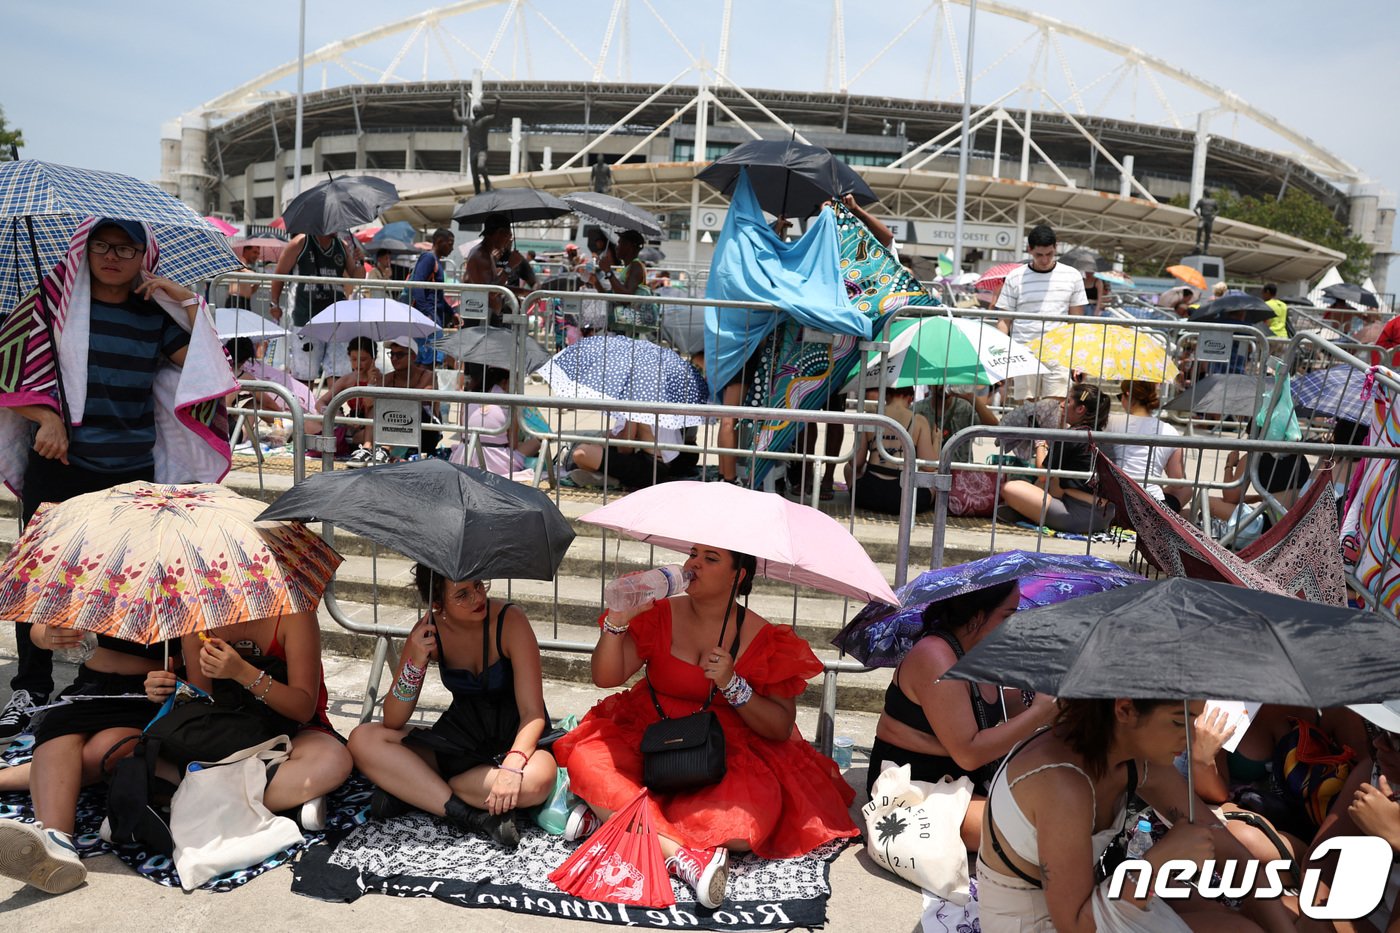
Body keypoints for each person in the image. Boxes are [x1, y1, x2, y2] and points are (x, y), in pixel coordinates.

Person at [0, 217, 236, 739]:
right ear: (84, 249)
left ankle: (106, 681)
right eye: (103, 246)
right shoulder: (50, 303)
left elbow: (206, 369)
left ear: (144, 257)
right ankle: (31, 687)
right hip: (58, 466)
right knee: (39, 577)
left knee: (128, 579)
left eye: (127, 249)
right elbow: (10, 364)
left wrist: (187, 302)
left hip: (130, 470)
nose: (112, 256)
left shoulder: (156, 313)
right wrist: (46, 418)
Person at [552, 544, 860, 908]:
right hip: (648, 733)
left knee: (742, 829)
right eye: (693, 554)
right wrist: (618, 618)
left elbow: (779, 728)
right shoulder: (660, 613)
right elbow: (606, 677)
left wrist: (733, 684)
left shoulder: (764, 638)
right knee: (589, 758)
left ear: (738, 575)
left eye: (710, 559)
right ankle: (681, 856)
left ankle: (608, 816)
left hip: (722, 749)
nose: (693, 564)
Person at [977, 698, 1295, 932]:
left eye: (1193, 718)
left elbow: (1232, 852)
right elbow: (1073, 925)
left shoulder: (1132, 755)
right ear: (1125, 709)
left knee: (1242, 926)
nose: (1190, 737)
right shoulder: (1063, 786)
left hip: (1093, 900)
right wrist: (1158, 862)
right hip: (1043, 923)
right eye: (1176, 721)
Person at [349, 567, 556, 848]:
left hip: (519, 737)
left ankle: (419, 792)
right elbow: (393, 719)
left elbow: (532, 713)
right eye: (462, 594)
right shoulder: (427, 632)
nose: (477, 597)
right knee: (363, 739)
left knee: (536, 784)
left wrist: (512, 766)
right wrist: (415, 661)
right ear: (437, 604)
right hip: (461, 740)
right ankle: (473, 816)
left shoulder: (510, 621)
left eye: (479, 585)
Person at [867, 583, 1059, 850]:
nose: (1014, 623)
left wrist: (1049, 691)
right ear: (978, 615)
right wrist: (1040, 712)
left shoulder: (980, 650)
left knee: (1070, 801)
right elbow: (969, 753)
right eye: (1008, 614)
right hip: (916, 789)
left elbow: (1003, 707)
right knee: (1041, 831)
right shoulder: (934, 656)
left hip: (962, 781)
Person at [144, 611, 353, 831]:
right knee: (139, 759)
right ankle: (285, 800)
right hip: (234, 734)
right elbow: (205, 704)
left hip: (295, 732)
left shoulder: (296, 615)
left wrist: (243, 672)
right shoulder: (199, 618)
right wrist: (173, 689)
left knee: (332, 761)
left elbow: (303, 710)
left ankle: (193, 798)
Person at [0, 630, 174, 893]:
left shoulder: (184, 596)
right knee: (56, 738)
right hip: (89, 688)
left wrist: (172, 680)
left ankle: (7, 780)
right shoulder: (88, 588)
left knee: (101, 754)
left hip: (147, 695)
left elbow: (198, 671)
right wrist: (49, 637)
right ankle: (57, 842)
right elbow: (37, 629)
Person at [997, 383, 1116, 533]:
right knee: (1051, 482)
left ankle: (1025, 513)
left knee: (1009, 488)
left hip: (1078, 515)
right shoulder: (1103, 437)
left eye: (1068, 401)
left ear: (1080, 409)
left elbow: (1043, 474)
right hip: (1106, 516)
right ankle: (1026, 512)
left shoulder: (1073, 435)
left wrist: (1039, 442)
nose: (1062, 405)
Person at [995, 224, 1087, 402]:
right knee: (1028, 410)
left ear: (1056, 248)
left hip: (1060, 351)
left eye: (1049, 254)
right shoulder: (1015, 277)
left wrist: (1079, 359)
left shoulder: (1072, 275)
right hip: (1024, 351)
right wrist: (1001, 356)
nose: (1044, 260)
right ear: (1029, 250)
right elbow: (1004, 321)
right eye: (1039, 255)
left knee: (1057, 410)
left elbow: (1077, 324)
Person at [269, 230, 362, 383]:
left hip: (336, 317)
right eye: (334, 222)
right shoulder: (300, 242)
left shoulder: (342, 246)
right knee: (305, 374)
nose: (338, 227)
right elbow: (279, 274)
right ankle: (305, 407)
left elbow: (357, 277)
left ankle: (332, 407)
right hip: (305, 317)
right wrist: (274, 303)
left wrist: (359, 261)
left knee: (338, 372)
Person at [850, 384, 940, 514]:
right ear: (910, 398)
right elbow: (930, 466)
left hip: (868, 494)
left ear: (886, 395)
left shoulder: (871, 417)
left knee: (848, 470)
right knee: (935, 480)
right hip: (905, 498)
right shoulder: (919, 421)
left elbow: (855, 463)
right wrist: (936, 440)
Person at [1103, 380, 1189, 513]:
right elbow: (1176, 482)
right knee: (1187, 489)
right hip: (1152, 505)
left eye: (1120, 397)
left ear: (1128, 394)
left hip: (1117, 500)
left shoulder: (1112, 422)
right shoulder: (1169, 431)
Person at [568, 416, 689, 490]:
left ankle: (609, 478)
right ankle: (604, 474)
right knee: (594, 447)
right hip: (665, 463)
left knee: (580, 453)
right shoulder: (662, 399)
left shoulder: (637, 403)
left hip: (650, 468)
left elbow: (625, 449)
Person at [318, 336, 383, 462]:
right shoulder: (348, 379)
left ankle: (367, 447)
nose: (358, 364)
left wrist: (371, 383)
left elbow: (368, 403)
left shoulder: (382, 379)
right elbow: (321, 402)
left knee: (372, 409)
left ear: (373, 358)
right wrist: (339, 416)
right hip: (352, 425)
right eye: (353, 359)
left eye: (363, 359)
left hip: (373, 425)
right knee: (310, 422)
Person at [465, 214, 524, 327]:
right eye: (508, 235)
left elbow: (496, 286)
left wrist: (526, 293)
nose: (508, 240)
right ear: (499, 233)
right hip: (482, 319)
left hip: (487, 316)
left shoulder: (487, 255)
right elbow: (492, 291)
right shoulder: (480, 255)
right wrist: (509, 266)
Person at [226, 242, 264, 310]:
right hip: (235, 301)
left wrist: (257, 283)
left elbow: (250, 291)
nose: (257, 256)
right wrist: (258, 276)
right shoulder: (239, 262)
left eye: (258, 253)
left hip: (245, 301)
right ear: (246, 251)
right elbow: (243, 270)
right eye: (254, 252)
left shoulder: (247, 267)